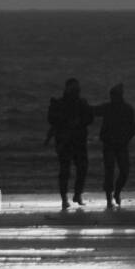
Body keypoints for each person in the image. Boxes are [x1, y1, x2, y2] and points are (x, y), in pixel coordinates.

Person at [45, 78, 93, 210]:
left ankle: (77, 195)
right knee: (65, 171)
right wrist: (66, 122)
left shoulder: (81, 103)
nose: (76, 92)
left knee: (81, 169)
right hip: (65, 141)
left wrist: (79, 121)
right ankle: (64, 199)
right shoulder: (59, 104)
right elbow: (52, 119)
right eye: (74, 89)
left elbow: (89, 118)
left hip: (78, 141)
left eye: (77, 89)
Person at [93, 83, 135, 208]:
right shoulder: (107, 108)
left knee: (124, 171)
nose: (113, 98)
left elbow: (132, 128)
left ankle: (116, 192)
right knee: (109, 171)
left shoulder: (127, 109)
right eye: (112, 96)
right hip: (109, 144)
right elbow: (93, 111)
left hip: (121, 144)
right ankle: (108, 198)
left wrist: (126, 139)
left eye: (115, 95)